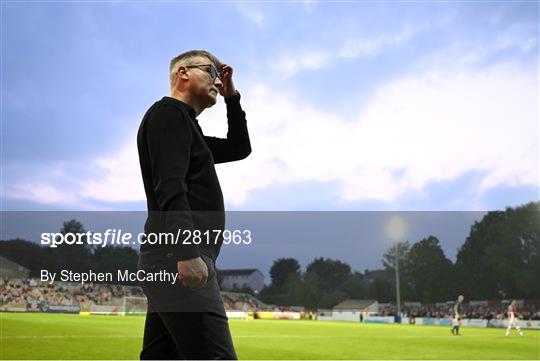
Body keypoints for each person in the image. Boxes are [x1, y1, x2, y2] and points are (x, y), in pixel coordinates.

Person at [136, 50, 251, 359]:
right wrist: (187, 253)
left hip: (171, 258)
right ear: (183, 73)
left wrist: (232, 96)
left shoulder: (188, 128)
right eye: (209, 70)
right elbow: (170, 187)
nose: (216, 78)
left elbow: (240, 148)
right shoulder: (168, 114)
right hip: (178, 256)